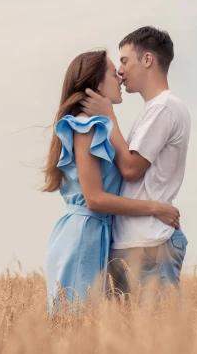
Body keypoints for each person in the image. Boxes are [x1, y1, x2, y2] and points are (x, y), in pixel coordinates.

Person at [43, 49, 181, 315]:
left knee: (87, 327)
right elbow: (94, 199)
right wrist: (155, 207)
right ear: (95, 84)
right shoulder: (86, 127)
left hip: (95, 234)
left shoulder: (98, 127)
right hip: (83, 237)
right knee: (75, 325)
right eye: (111, 71)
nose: (119, 74)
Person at [81, 27, 191, 297]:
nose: (120, 70)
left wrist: (109, 117)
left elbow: (130, 169)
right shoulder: (152, 111)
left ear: (147, 60)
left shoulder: (164, 108)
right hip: (136, 242)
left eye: (125, 60)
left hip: (150, 244)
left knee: (157, 336)